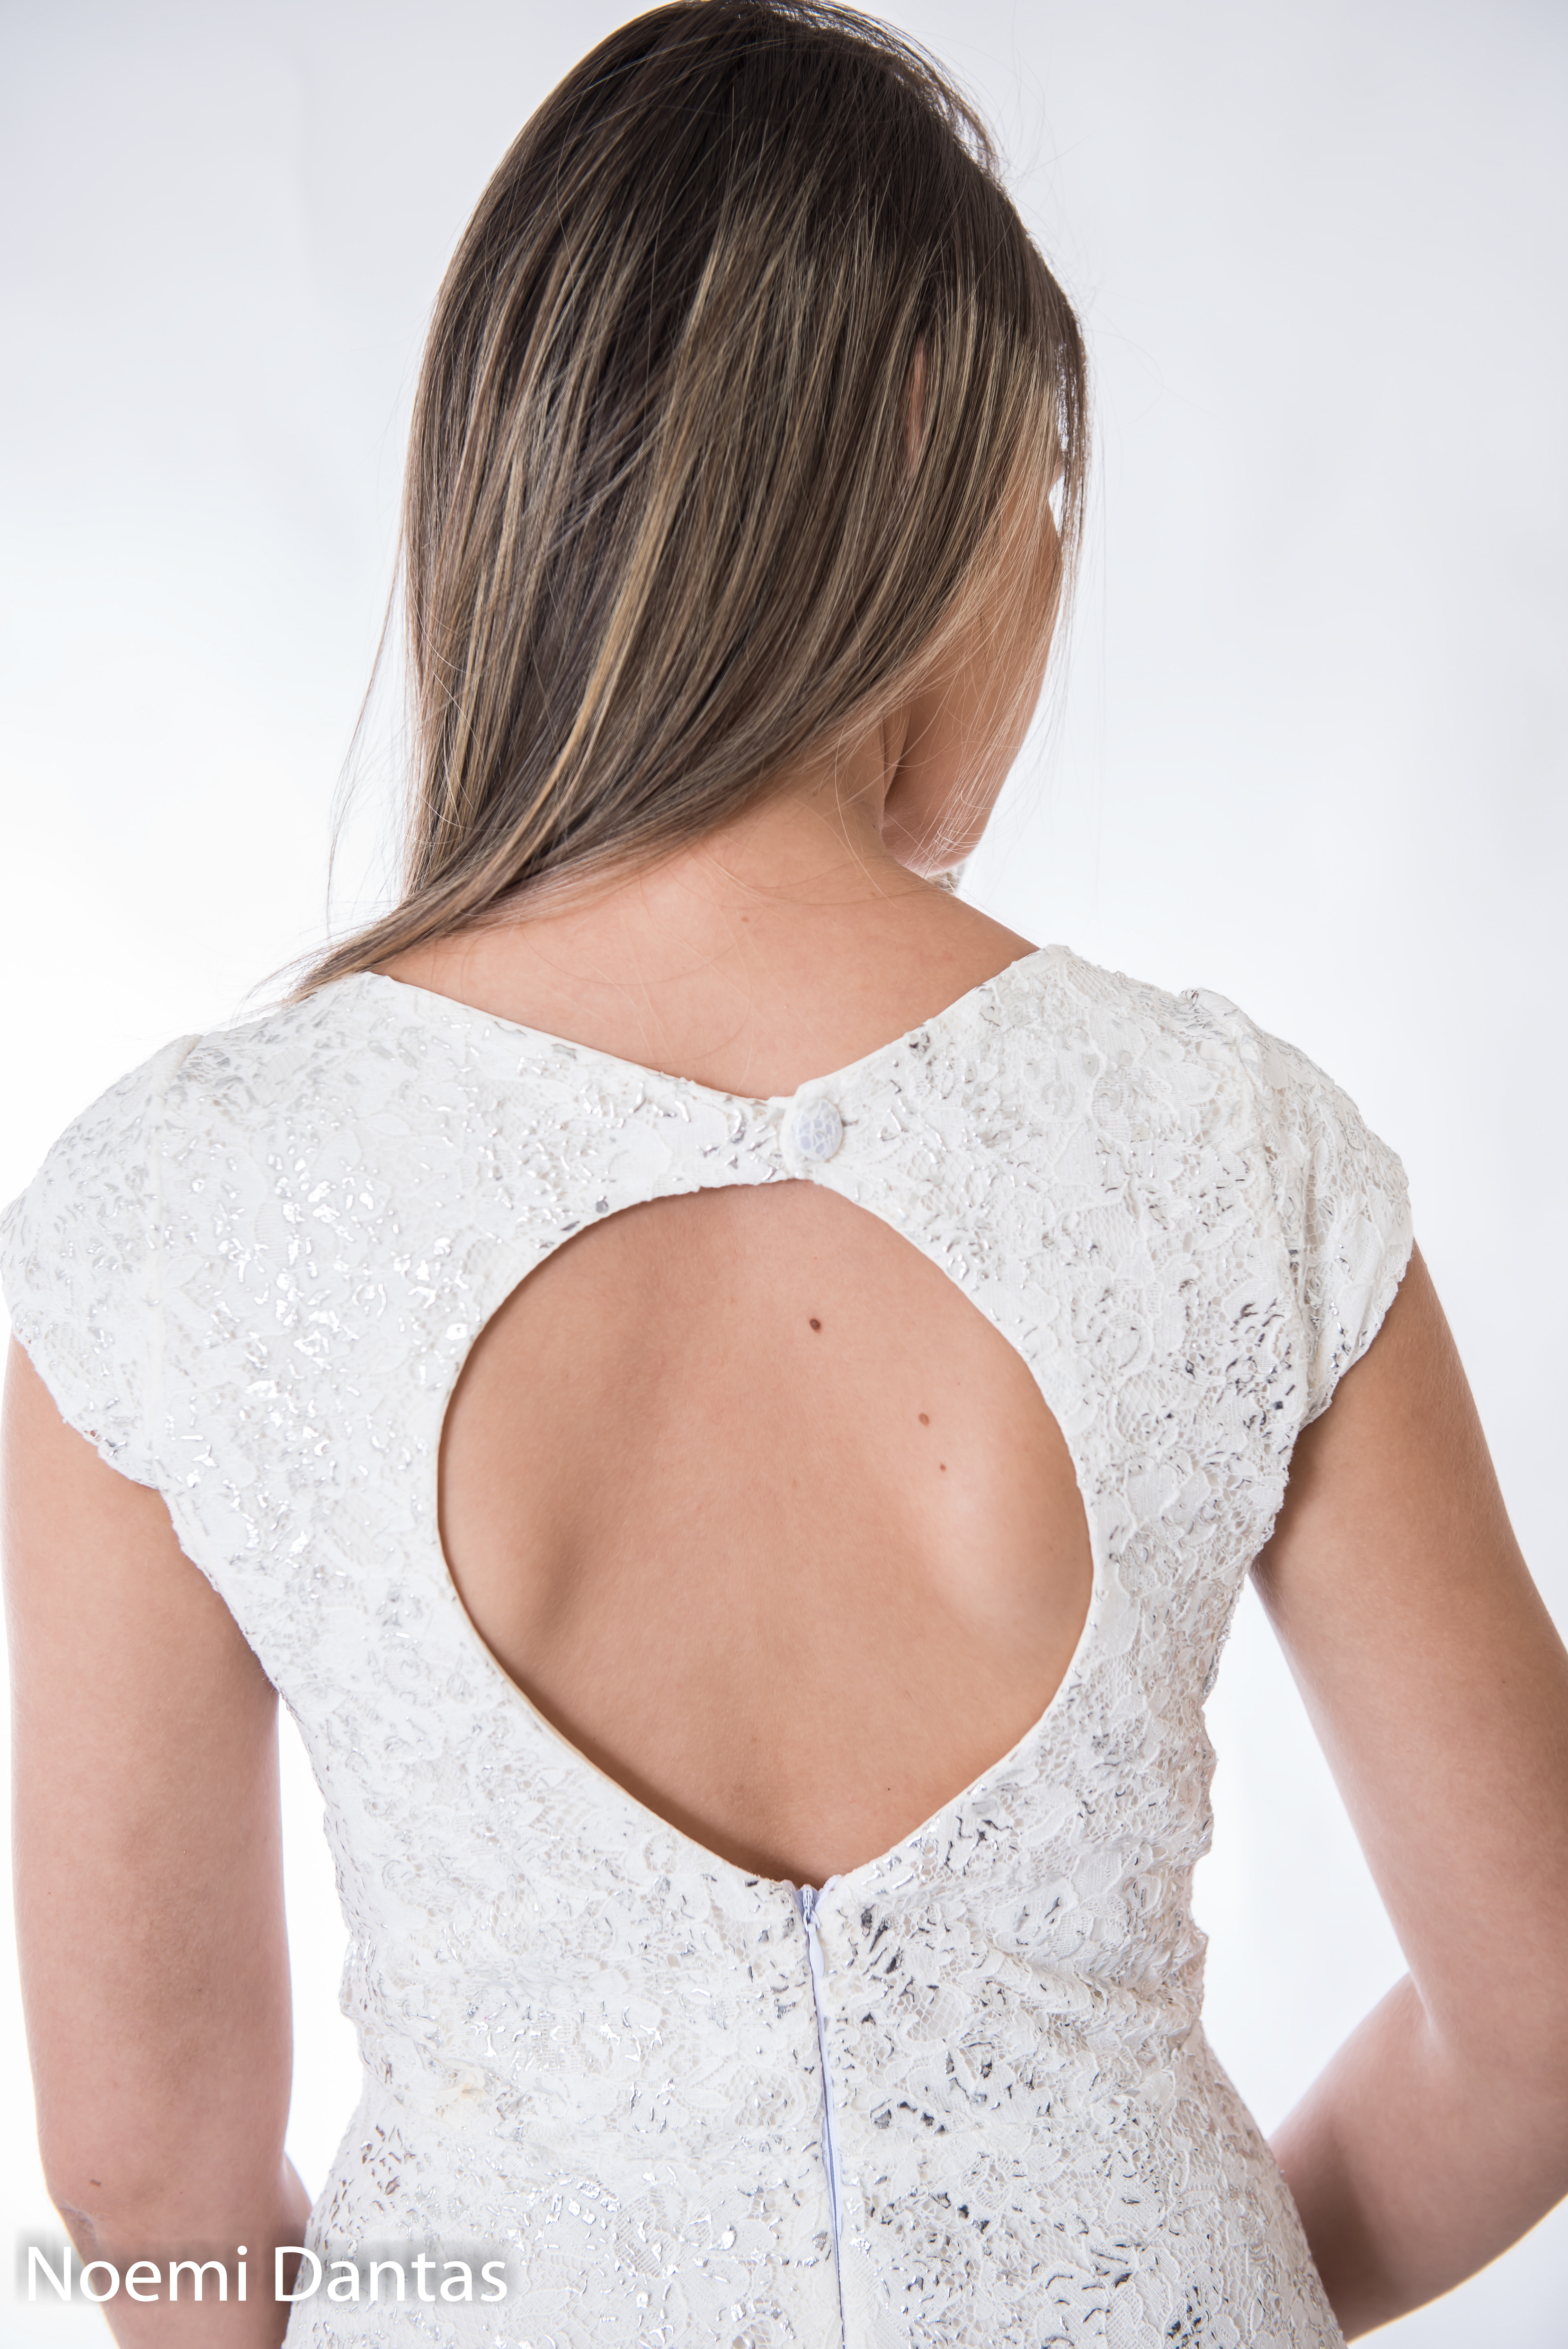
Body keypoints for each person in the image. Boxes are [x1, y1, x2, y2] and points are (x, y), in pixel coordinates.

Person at [4, 4, 1566, 2343]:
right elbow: (1547, 2013)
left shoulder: (176, 1221)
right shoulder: (1230, 1160)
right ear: (931, 461)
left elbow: (150, 2178)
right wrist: (1191, 2283)